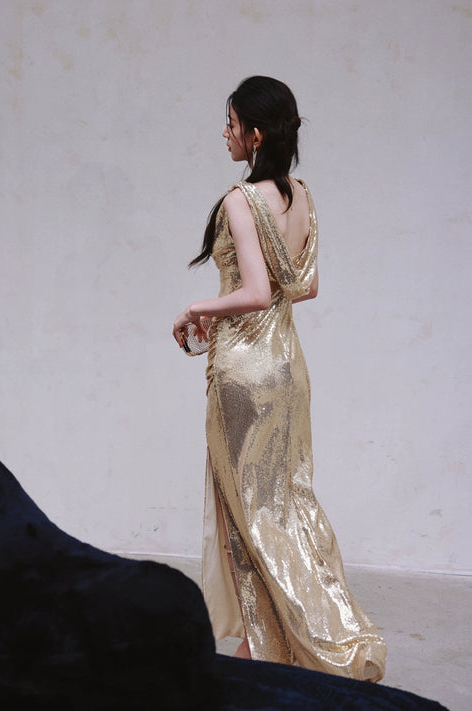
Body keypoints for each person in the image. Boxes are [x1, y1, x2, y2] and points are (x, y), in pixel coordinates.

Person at [172, 76, 386, 682]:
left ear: (256, 134)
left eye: (231, 122)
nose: (225, 133)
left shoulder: (242, 200)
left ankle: (265, 647)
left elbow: (258, 291)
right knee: (286, 503)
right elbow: (303, 287)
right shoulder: (302, 197)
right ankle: (285, 638)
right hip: (287, 367)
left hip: (244, 373)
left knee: (248, 511)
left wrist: (197, 309)